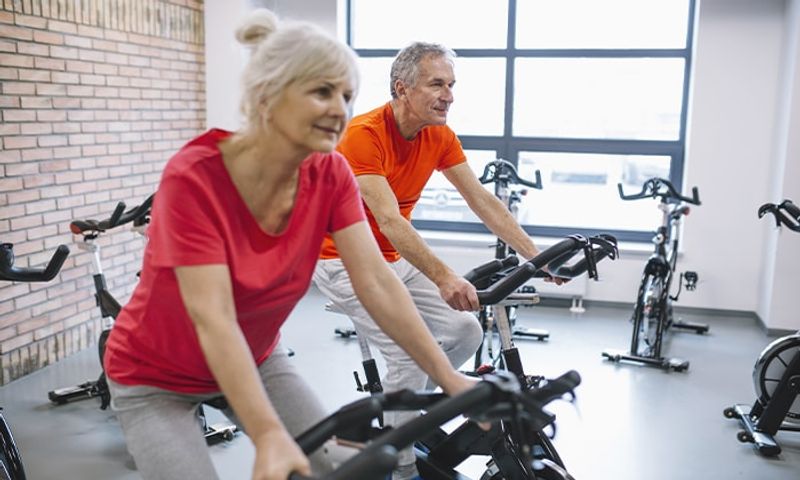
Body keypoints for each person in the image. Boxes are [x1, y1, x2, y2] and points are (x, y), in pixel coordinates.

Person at [103, 13, 476, 480]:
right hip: (155, 378)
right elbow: (213, 317)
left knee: (333, 467)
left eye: (346, 96)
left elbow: (377, 281)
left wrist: (449, 378)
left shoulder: (330, 173)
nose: (340, 109)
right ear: (269, 96)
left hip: (259, 358)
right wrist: (267, 432)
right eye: (322, 92)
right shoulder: (196, 175)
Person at [313, 42, 563, 480]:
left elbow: (481, 199)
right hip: (344, 261)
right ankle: (402, 468)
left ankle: (406, 421)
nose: (448, 95)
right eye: (436, 84)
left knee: (465, 330)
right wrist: (446, 277)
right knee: (410, 356)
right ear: (402, 88)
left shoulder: (438, 134)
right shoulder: (363, 135)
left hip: (394, 260)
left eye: (451, 84)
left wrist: (538, 256)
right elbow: (389, 220)